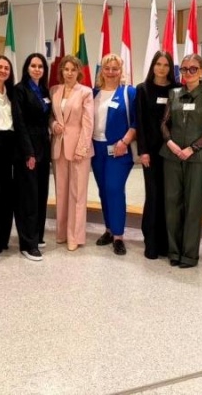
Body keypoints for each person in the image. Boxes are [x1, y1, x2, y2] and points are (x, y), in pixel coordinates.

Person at [0, 55, 41, 261]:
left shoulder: (13, 92)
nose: (3, 70)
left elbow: (20, 122)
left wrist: (28, 150)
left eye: (6, 68)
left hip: (11, 148)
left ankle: (2, 240)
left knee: (7, 196)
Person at [160, 54, 202, 268]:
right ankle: (174, 251)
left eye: (193, 69)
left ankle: (189, 255)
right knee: (172, 204)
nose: (188, 73)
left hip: (197, 158)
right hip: (171, 156)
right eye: (184, 69)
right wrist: (171, 143)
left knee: (193, 205)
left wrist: (193, 148)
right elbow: (164, 123)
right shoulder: (174, 94)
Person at [135, 51, 180, 260]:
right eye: (158, 64)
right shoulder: (143, 89)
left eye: (166, 65)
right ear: (153, 66)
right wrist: (142, 151)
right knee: (153, 196)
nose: (162, 68)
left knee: (169, 197)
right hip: (151, 152)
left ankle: (166, 243)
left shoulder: (177, 90)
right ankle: (151, 242)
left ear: (170, 68)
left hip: (172, 151)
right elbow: (140, 122)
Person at [91, 53, 137, 256]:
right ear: (102, 71)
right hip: (97, 149)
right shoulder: (93, 93)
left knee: (114, 189)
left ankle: (118, 236)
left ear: (121, 71)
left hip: (119, 149)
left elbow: (137, 122)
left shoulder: (129, 92)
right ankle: (109, 230)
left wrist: (124, 141)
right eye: (107, 68)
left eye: (115, 69)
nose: (111, 72)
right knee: (103, 190)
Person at [50, 55, 94, 251]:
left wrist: (82, 149)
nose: (69, 73)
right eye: (66, 69)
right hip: (58, 147)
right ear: (61, 71)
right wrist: (53, 125)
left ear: (78, 72)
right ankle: (61, 233)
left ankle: (75, 236)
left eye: (73, 70)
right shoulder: (54, 90)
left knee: (77, 194)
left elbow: (88, 123)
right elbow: (50, 116)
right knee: (61, 192)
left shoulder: (85, 92)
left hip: (78, 149)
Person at [14, 53, 52, 250]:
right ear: (27, 68)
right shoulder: (20, 90)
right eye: (33, 65)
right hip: (27, 149)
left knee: (41, 193)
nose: (37, 69)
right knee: (28, 196)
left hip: (44, 147)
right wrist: (29, 153)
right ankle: (27, 243)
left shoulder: (44, 90)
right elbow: (19, 123)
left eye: (40, 66)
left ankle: (37, 235)